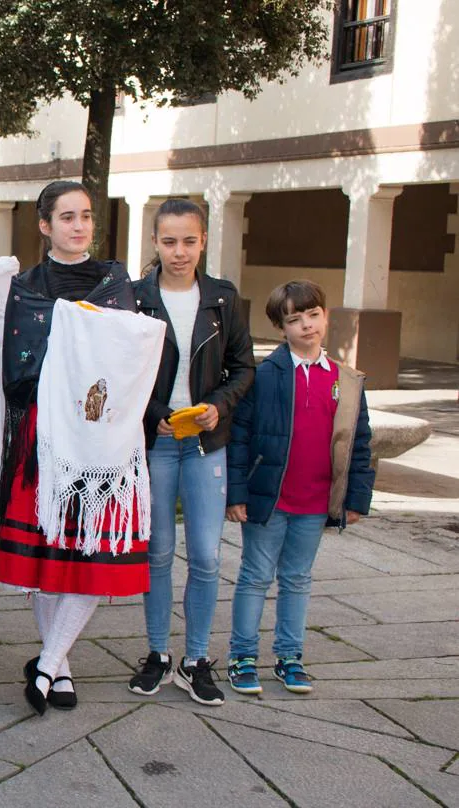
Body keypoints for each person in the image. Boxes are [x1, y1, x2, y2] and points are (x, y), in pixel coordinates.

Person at [0, 180, 158, 716]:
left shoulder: (117, 284)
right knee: (45, 554)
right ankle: (58, 667)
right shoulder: (27, 288)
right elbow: (19, 368)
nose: (79, 225)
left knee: (92, 551)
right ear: (45, 226)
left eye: (86, 216)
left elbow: (129, 358)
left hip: (104, 434)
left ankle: (46, 663)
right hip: (47, 436)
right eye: (66, 217)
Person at [127, 199, 255, 705]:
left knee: (205, 555)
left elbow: (244, 368)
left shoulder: (222, 299)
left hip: (206, 445)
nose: (179, 252)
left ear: (203, 241)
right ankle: (158, 655)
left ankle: (196, 658)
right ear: (155, 243)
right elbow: (120, 369)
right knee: (157, 553)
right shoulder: (136, 298)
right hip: (158, 442)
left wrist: (219, 407)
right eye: (169, 241)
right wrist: (153, 409)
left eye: (189, 241)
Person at [226, 280, 373, 696]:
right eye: (295, 319)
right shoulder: (264, 375)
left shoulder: (346, 380)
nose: (306, 325)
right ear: (280, 327)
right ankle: (242, 656)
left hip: (314, 502)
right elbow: (240, 436)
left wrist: (356, 498)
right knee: (255, 576)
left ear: (325, 317)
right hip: (268, 499)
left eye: (313, 315)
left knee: (297, 578)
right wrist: (236, 493)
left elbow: (359, 442)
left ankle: (290, 657)